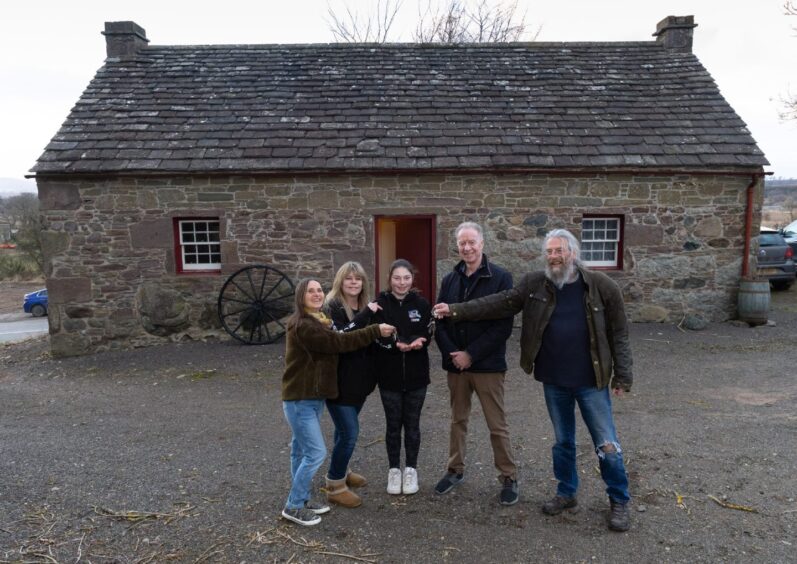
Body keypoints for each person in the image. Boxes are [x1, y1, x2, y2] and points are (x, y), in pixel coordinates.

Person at [433, 228, 634, 532]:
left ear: (573, 253)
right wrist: (456, 310)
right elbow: (497, 303)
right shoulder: (534, 284)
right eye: (549, 252)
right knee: (563, 442)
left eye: (559, 251)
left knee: (606, 443)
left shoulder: (602, 286)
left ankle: (619, 500)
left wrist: (623, 374)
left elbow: (619, 332)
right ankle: (566, 493)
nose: (553, 257)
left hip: (591, 379)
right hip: (554, 379)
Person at [281, 278, 394, 526]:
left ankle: (302, 499)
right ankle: (292, 505)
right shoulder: (304, 326)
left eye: (319, 290)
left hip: (310, 398)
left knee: (300, 451)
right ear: (301, 297)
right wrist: (375, 330)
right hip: (299, 399)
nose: (316, 294)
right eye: (310, 291)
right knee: (315, 452)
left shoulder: (321, 321)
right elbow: (338, 343)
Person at [433, 221, 519, 505]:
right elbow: (439, 321)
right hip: (456, 366)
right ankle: (454, 470)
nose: (467, 248)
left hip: (488, 365)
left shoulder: (501, 278)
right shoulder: (450, 280)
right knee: (458, 421)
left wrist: (471, 354)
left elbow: (503, 327)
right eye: (462, 244)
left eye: (472, 242)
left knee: (497, 424)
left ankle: (508, 476)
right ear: (457, 247)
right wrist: (452, 355)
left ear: (482, 244)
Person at [323, 261, 381, 508]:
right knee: (350, 434)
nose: (354, 282)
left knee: (342, 432)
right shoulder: (332, 306)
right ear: (340, 281)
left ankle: (343, 470)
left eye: (358, 279)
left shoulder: (363, 304)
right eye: (349, 278)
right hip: (339, 383)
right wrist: (368, 314)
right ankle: (335, 484)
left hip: (359, 382)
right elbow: (343, 337)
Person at [372, 259, 433, 496]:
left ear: (412, 279)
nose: (401, 283)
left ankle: (411, 470)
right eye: (397, 278)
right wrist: (392, 344)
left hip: (417, 375)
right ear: (390, 279)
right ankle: (393, 470)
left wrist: (422, 341)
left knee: (413, 425)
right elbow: (375, 335)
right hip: (389, 375)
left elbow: (429, 331)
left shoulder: (422, 303)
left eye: (406, 278)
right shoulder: (380, 304)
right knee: (393, 425)